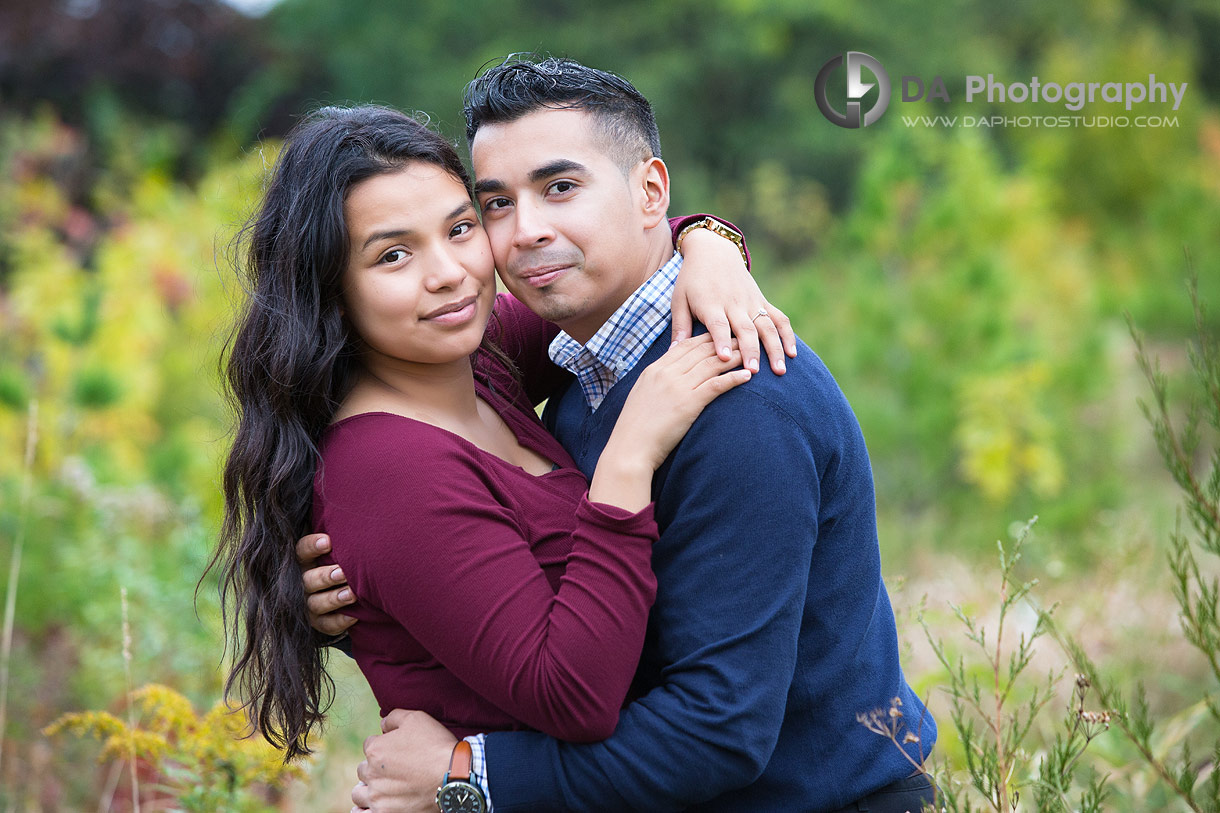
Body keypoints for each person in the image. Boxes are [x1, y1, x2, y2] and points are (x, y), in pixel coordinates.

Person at [305, 57, 938, 812]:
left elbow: (717, 733)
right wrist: (371, 595)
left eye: (561, 187)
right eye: (496, 204)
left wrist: (466, 774)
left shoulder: (739, 402)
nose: (526, 232)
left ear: (649, 191)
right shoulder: (566, 352)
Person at [212, 103, 792, 766]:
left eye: (460, 228)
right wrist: (628, 459)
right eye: (393, 254)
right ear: (332, 291)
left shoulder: (480, 356)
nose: (449, 272)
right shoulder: (390, 469)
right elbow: (572, 697)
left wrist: (709, 243)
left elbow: (621, 289)